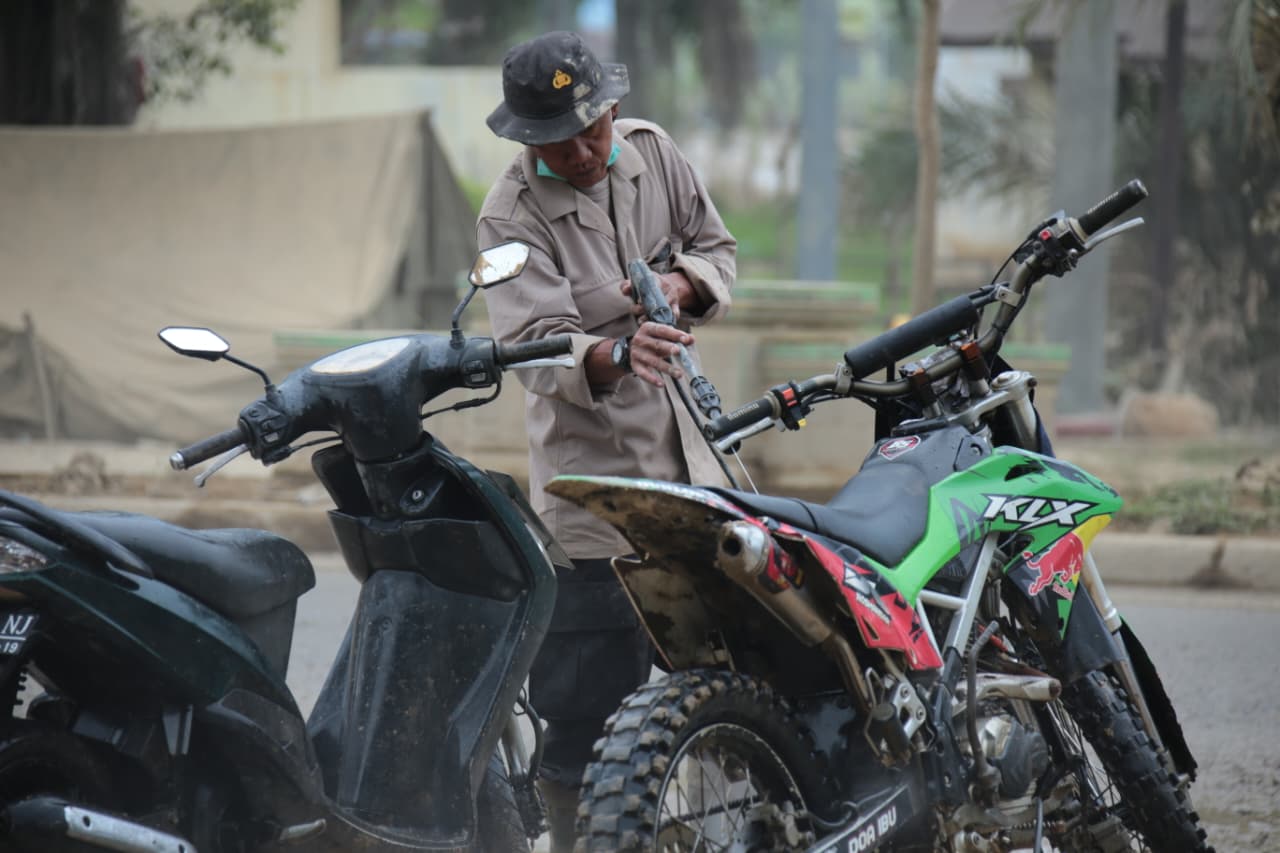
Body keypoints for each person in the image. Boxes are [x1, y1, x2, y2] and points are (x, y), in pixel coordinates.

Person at [475, 30, 736, 852]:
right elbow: (538, 346)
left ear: (614, 112)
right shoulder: (508, 215)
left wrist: (681, 287)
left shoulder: (653, 155)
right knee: (586, 706)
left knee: (731, 680)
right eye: (559, 140)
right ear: (525, 137)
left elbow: (718, 248)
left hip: (698, 467)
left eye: (595, 131)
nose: (584, 152)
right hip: (595, 498)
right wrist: (619, 351)